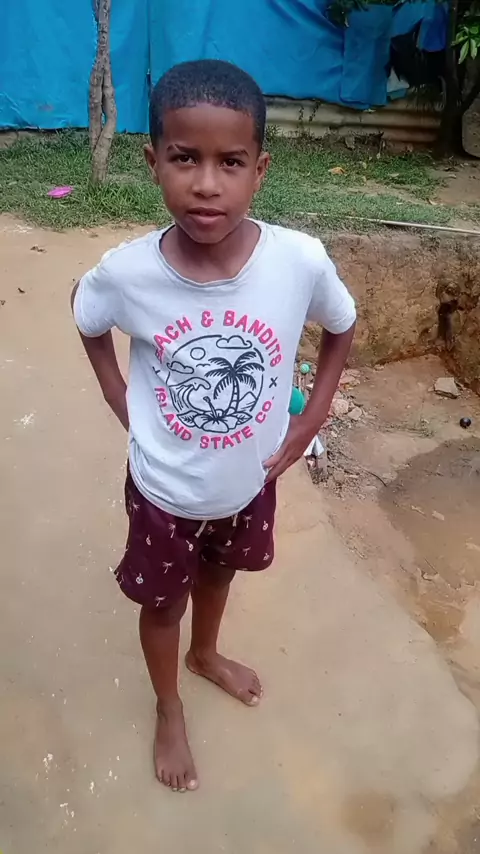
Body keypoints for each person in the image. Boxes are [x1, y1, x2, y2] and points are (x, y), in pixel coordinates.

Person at [72, 59, 356, 793]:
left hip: (249, 480)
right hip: (163, 490)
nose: (206, 183)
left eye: (229, 162)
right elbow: (88, 317)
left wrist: (311, 417)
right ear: (152, 162)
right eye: (183, 158)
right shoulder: (128, 273)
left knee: (221, 571)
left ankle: (206, 654)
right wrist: (122, 401)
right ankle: (168, 704)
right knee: (163, 600)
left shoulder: (298, 262)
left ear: (260, 170)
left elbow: (341, 327)